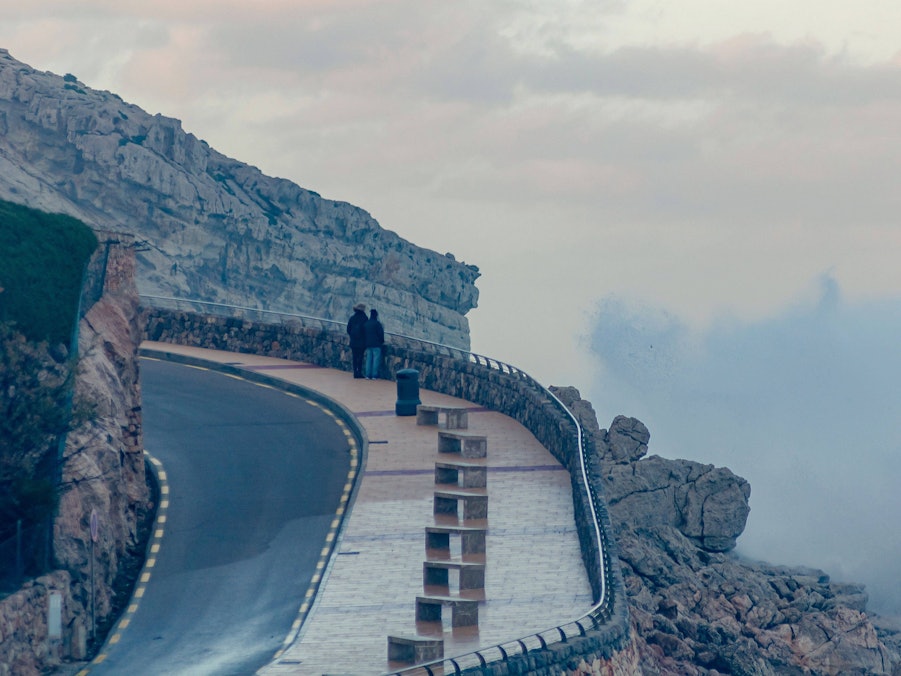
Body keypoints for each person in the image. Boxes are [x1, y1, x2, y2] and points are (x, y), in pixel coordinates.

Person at [346, 302, 367, 378]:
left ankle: (355, 372)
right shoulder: (365, 318)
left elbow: (348, 329)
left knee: (354, 357)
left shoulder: (352, 318)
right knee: (360, 357)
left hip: (353, 342)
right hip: (362, 342)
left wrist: (352, 336)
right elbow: (366, 330)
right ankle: (359, 372)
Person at [363, 308, 385, 380]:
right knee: (376, 360)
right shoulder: (377, 324)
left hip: (368, 344)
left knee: (368, 359)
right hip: (376, 344)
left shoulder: (366, 323)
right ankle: (374, 375)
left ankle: (368, 374)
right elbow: (381, 334)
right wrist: (381, 342)